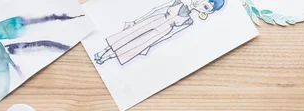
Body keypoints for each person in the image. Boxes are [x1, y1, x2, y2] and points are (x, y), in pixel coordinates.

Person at [94, 0, 225, 65]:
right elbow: (156, 9)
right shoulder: (178, 1)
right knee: (128, 35)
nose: (200, 2)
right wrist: (136, 21)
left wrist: (153, 43)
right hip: (154, 20)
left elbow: (171, 34)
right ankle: (102, 52)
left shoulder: (189, 21)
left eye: (206, 6)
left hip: (160, 33)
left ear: (208, 12)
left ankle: (106, 58)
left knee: (135, 46)